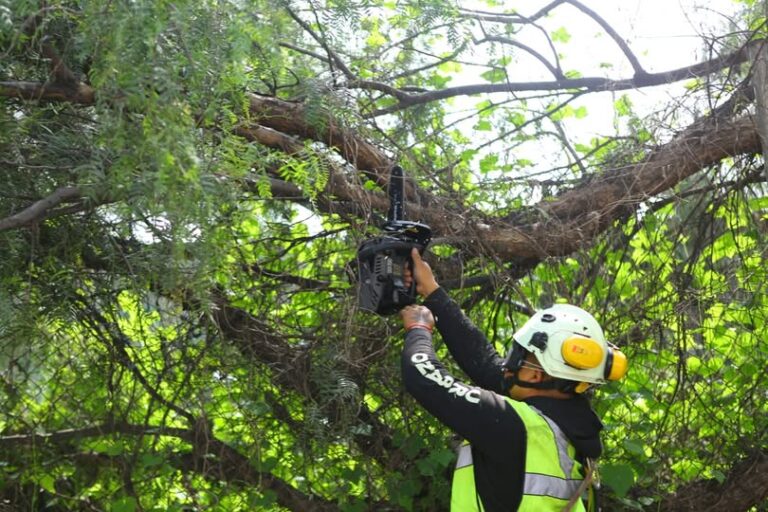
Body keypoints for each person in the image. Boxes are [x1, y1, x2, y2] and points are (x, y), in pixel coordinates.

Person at [399, 249, 627, 512]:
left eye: (518, 355)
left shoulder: (514, 426)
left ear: (536, 375)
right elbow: (487, 367)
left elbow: (422, 377)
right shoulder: (568, 433)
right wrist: (432, 291)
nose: (507, 365)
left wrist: (418, 328)